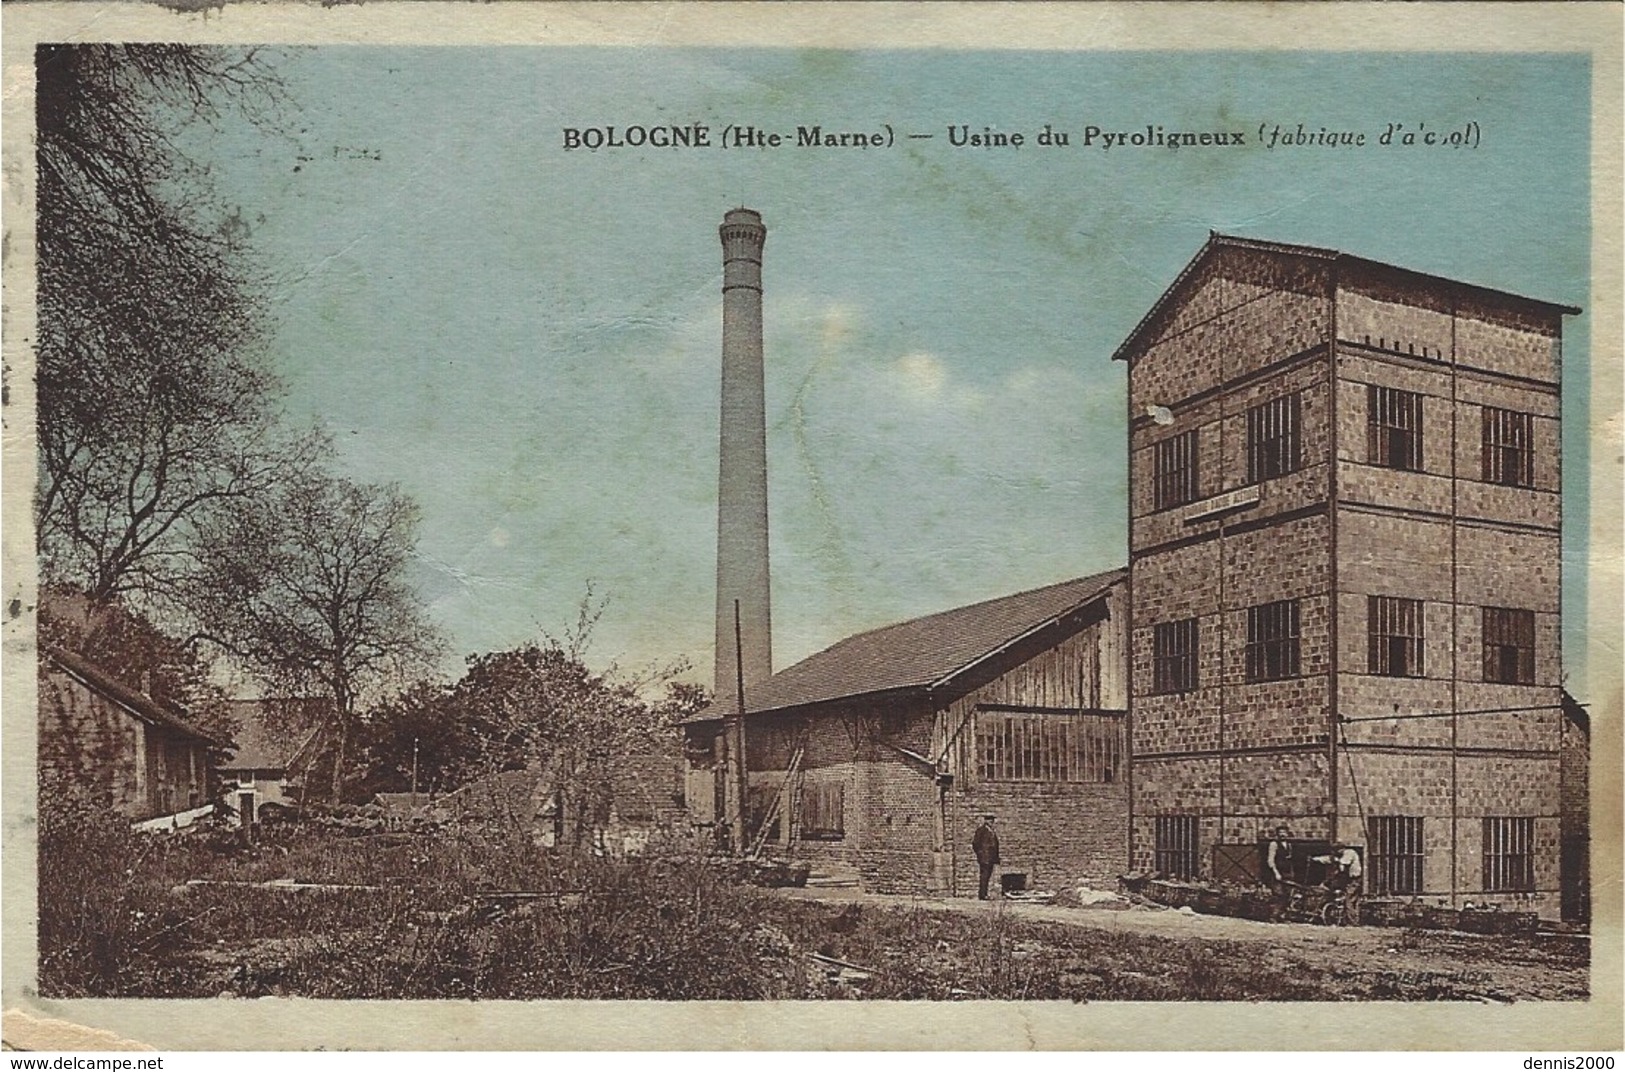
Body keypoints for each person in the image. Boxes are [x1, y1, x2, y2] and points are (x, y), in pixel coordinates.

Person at [972, 813, 1000, 900]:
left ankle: (985, 893)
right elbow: (975, 843)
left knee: (987, 876)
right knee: (984, 876)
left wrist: (996, 857)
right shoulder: (981, 830)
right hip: (984, 858)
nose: (992, 822)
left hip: (991, 858)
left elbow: (995, 845)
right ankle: (982, 894)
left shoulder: (992, 831)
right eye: (990, 820)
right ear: (986, 821)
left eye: (992, 820)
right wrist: (980, 853)